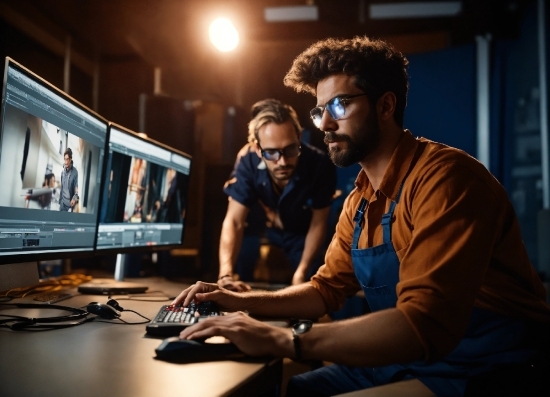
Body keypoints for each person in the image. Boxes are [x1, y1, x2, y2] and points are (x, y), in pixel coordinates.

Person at [172, 36, 550, 396]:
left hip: (478, 369)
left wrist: (283, 339)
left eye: (339, 105)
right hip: (406, 359)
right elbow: (325, 290)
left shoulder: (446, 179)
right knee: (300, 388)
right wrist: (238, 301)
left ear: (385, 106)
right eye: (320, 111)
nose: (325, 125)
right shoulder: (360, 200)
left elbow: (422, 323)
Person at [217, 98, 337, 291]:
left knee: (309, 281)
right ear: (257, 148)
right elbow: (234, 221)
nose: (282, 162)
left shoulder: (319, 163)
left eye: (290, 149)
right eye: (271, 153)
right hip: (266, 228)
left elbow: (318, 222)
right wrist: (225, 274)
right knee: (244, 258)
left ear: (299, 137)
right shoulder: (247, 159)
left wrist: (301, 272)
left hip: (303, 233)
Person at [60, 147, 79, 212]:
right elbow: (61, 188)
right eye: (65, 159)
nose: (66, 162)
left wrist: (74, 198)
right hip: (62, 205)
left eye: (67, 159)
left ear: (70, 159)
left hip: (69, 206)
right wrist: (60, 202)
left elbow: (76, 188)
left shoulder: (75, 172)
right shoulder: (62, 173)